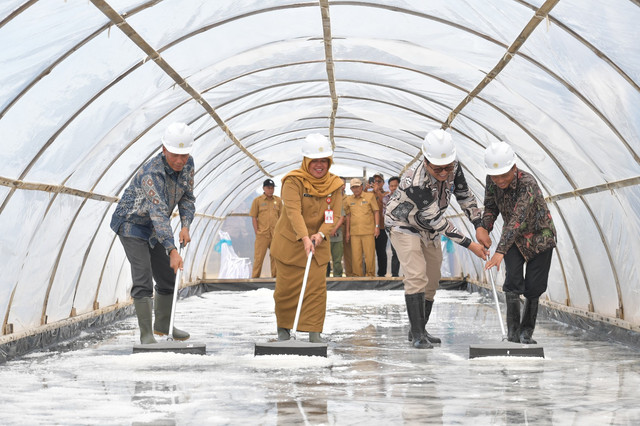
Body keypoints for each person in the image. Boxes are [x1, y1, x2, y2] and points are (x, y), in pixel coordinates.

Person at [385, 129, 488, 349]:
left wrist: (479, 225)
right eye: (437, 168)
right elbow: (437, 220)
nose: (444, 172)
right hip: (403, 225)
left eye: (447, 167)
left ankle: (420, 329)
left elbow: (464, 196)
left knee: (432, 278)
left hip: (428, 229)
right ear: (426, 160)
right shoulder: (414, 181)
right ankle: (417, 335)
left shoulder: (455, 167)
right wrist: (471, 245)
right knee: (416, 275)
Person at [110, 122, 195, 344]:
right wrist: (172, 250)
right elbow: (158, 213)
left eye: (184, 155)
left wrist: (185, 224)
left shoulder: (188, 165)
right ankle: (146, 334)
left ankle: (163, 326)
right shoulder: (152, 173)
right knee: (143, 275)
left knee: (168, 276)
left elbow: (186, 196)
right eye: (174, 155)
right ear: (164, 149)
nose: (179, 160)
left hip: (156, 226)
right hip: (132, 224)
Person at [478, 142, 556, 344]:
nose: (500, 180)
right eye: (496, 176)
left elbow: (516, 219)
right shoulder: (492, 180)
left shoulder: (527, 183)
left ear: (514, 167)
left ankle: (526, 333)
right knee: (512, 281)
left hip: (540, 237)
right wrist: (485, 227)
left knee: (534, 286)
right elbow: (490, 206)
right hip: (514, 239)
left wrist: (499, 251)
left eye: (504, 175)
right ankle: (512, 335)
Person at [270, 133, 344, 343]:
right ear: (306, 161)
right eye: (315, 161)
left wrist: (320, 234)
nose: (319, 165)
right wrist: (304, 237)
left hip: (318, 245)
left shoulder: (335, 184)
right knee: (286, 290)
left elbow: (334, 214)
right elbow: (293, 212)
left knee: (316, 290)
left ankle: (314, 332)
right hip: (290, 245)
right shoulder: (293, 181)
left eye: (324, 161)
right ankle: (283, 329)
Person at [344, 178, 380, 277]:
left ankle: (370, 275)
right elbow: (348, 216)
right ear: (351, 189)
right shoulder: (348, 199)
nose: (356, 189)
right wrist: (347, 232)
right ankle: (357, 277)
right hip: (354, 232)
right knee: (356, 257)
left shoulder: (370, 196)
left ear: (361, 186)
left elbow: (376, 211)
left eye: (357, 186)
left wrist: (377, 227)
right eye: (353, 187)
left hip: (368, 231)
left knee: (369, 256)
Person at [250, 179, 282, 278]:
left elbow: (282, 218)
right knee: (259, 258)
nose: (270, 190)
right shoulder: (258, 201)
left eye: (272, 188)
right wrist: (257, 232)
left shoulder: (278, 201)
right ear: (264, 188)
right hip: (262, 235)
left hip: (275, 235)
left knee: (275, 257)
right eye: (268, 188)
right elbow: (254, 217)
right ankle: (255, 278)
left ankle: (275, 279)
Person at [327, 178, 346, 277]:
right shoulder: (323, 201)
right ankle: (324, 279)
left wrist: (334, 229)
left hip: (337, 235)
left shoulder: (338, 202)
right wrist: (327, 230)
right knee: (324, 260)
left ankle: (337, 278)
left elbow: (342, 217)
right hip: (324, 236)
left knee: (337, 260)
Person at [371, 173, 390, 277]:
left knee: (381, 252)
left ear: (383, 183)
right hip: (369, 228)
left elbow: (384, 202)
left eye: (379, 181)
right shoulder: (369, 194)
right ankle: (368, 273)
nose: (377, 183)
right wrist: (366, 190)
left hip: (382, 227)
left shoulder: (386, 194)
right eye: (375, 181)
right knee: (368, 253)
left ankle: (382, 274)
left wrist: (377, 191)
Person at [382, 176, 401, 277]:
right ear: (389, 187)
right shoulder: (386, 198)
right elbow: (385, 214)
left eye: (396, 186)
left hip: (407, 230)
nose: (393, 188)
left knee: (408, 252)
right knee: (395, 252)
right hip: (393, 229)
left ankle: (409, 275)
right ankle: (395, 275)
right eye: (391, 186)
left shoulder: (406, 197)